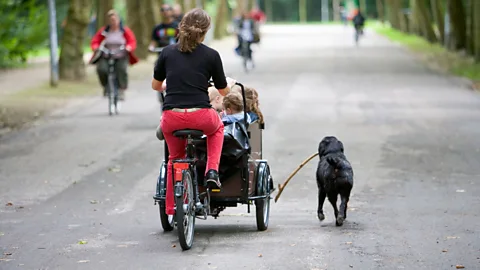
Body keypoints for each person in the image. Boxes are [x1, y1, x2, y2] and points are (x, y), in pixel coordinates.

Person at [151, 8, 236, 215]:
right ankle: (211, 171)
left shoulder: (167, 53)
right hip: (201, 117)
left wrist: (168, 86)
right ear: (205, 31)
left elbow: (156, 85)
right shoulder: (211, 55)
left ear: (181, 27)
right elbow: (223, 90)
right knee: (217, 130)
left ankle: (172, 209)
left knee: (174, 158)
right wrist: (230, 85)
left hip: (172, 117)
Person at [90, 9, 138, 100]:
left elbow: (132, 41)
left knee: (122, 69)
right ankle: (106, 86)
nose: (113, 22)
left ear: (118, 20)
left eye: (114, 19)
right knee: (101, 69)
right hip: (106, 54)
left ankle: (121, 89)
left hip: (121, 54)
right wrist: (96, 47)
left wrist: (129, 47)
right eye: (111, 20)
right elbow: (95, 41)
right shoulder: (104, 31)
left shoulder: (124, 31)